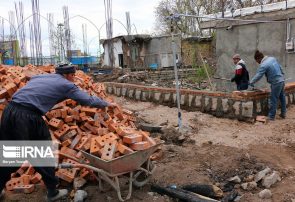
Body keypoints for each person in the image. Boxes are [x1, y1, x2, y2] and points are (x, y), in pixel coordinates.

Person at [0, 64, 115, 201]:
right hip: (27, 117)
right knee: (43, 151)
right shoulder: (67, 85)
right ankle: (52, 192)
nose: (74, 78)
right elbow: (87, 100)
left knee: (11, 154)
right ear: (68, 75)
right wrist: (106, 104)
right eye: (73, 75)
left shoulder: (41, 77)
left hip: (10, 111)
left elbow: (35, 82)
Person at [249, 50, 286, 120]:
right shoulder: (272, 58)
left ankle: (271, 117)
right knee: (282, 97)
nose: (258, 63)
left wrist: (251, 82)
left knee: (273, 99)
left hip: (276, 82)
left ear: (258, 58)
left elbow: (258, 75)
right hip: (281, 80)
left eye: (257, 61)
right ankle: (283, 114)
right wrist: (282, 75)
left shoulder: (264, 65)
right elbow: (280, 67)